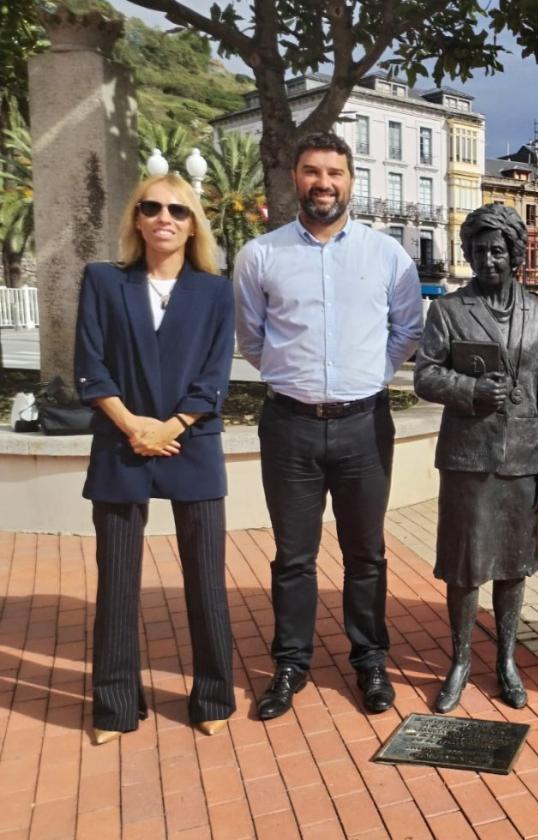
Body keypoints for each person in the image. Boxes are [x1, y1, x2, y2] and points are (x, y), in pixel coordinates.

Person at [234, 132, 423, 719]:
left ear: (351, 180)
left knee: (366, 552)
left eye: (334, 173)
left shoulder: (387, 255)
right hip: (288, 425)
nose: (324, 183)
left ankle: (369, 659)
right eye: (313, 172)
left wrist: (367, 374)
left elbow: (408, 331)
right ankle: (290, 662)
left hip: (364, 426)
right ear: (296, 178)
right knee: (293, 555)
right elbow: (251, 339)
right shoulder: (259, 255)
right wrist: (298, 378)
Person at [74, 173, 236, 744]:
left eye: (179, 210)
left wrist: (171, 425)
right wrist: (133, 425)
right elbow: (91, 368)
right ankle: (116, 706)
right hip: (122, 445)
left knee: (206, 582)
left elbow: (216, 374)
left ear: (194, 224)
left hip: (191, 444)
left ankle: (214, 696)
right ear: (136, 218)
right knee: (117, 582)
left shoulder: (216, 291)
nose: (165, 217)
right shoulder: (102, 281)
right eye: (152, 207)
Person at [413, 203, 538, 713]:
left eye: (497, 250)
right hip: (467, 457)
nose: (488, 260)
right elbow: (425, 376)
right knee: (464, 566)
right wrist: (473, 388)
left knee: (512, 565)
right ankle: (459, 660)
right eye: (478, 251)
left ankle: (505, 660)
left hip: (522, 458)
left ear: (516, 254)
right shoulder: (448, 310)